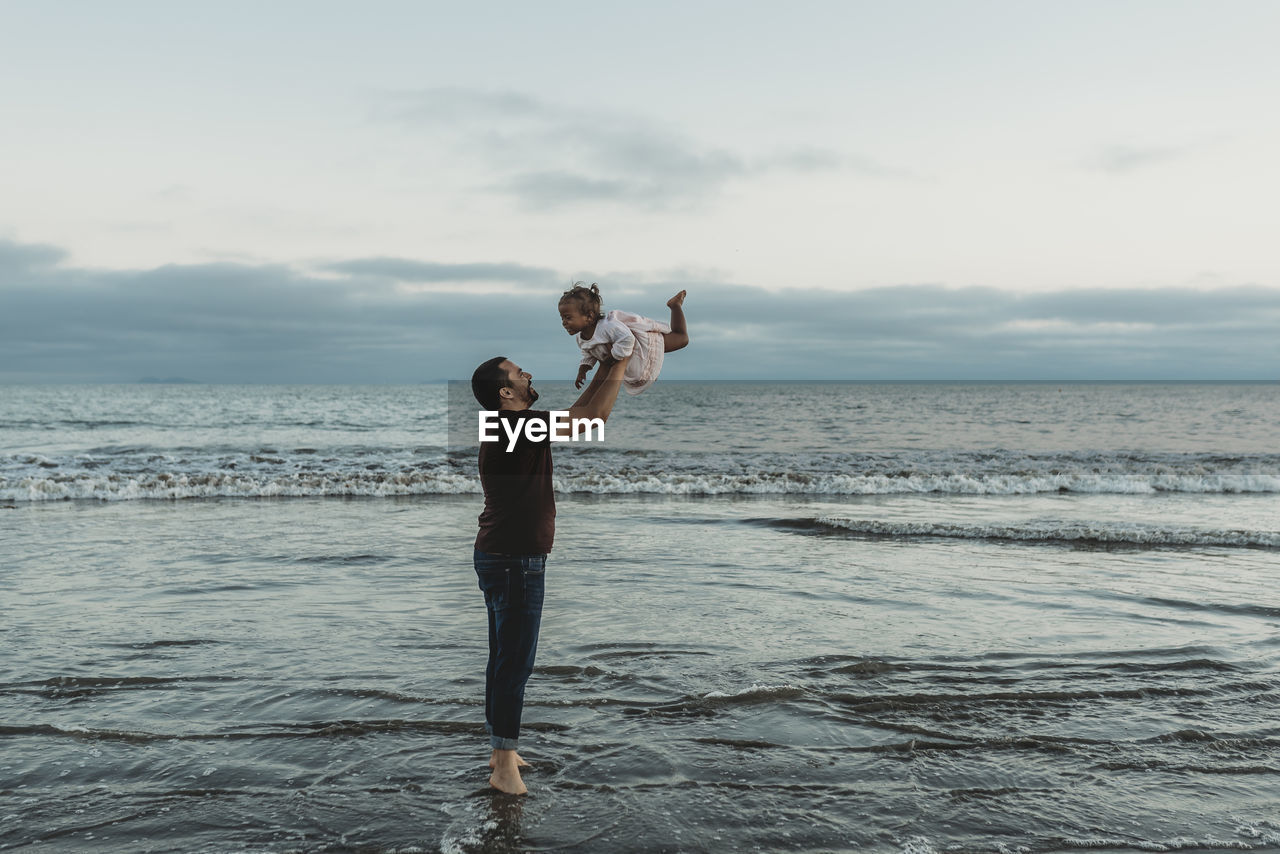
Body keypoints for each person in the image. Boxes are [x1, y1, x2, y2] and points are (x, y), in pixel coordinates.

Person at [469, 353, 631, 795]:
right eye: (520, 374)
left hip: (502, 555)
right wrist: (623, 359)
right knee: (514, 662)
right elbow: (593, 418)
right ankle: (503, 765)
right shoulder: (514, 426)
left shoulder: (507, 427)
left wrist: (606, 361)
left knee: (503, 657)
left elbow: (580, 413)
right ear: (505, 392)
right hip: (513, 559)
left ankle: (501, 749)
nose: (528, 375)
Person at [558, 284, 689, 394]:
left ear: (589, 316)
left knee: (682, 338)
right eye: (562, 318)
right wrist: (583, 369)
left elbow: (627, 339)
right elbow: (588, 351)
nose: (564, 322)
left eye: (568, 317)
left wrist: (613, 356)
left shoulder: (607, 327)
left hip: (645, 343)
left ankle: (675, 305)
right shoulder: (581, 338)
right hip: (632, 354)